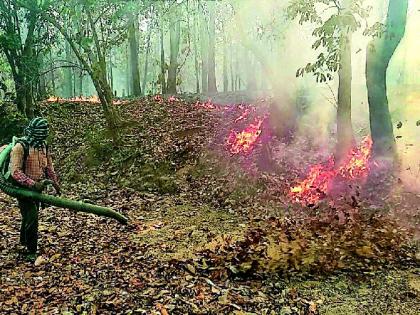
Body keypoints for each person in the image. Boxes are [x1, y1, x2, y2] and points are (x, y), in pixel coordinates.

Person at [8, 117, 60, 261]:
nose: (42, 136)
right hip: (22, 188)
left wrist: (55, 184)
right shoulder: (20, 147)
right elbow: (15, 172)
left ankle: (23, 241)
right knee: (32, 217)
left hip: (38, 187)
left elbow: (49, 167)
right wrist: (32, 184)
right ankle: (31, 251)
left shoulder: (44, 146)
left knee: (29, 215)